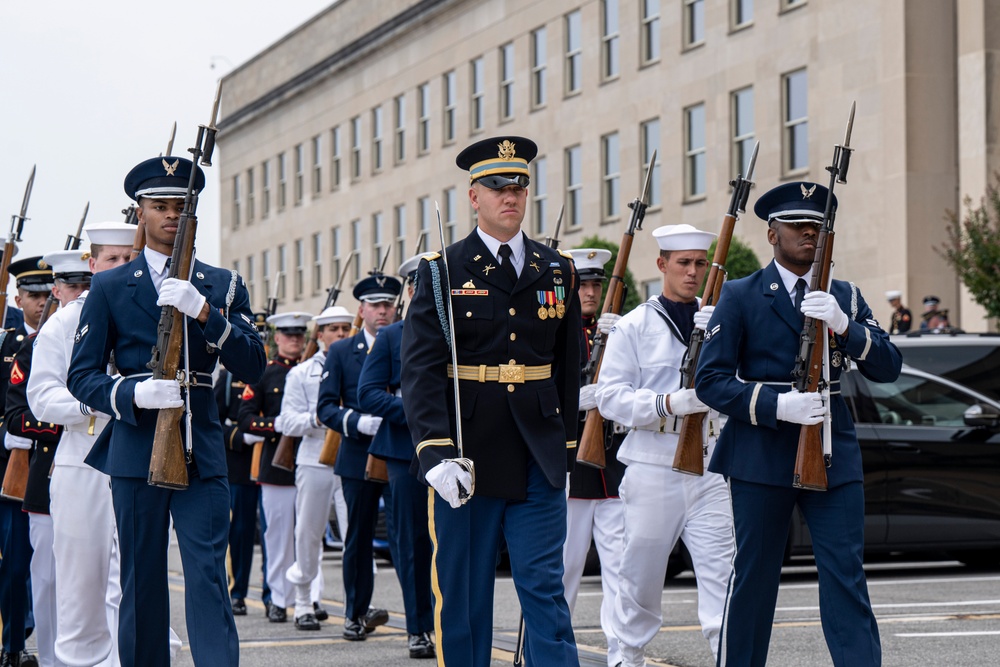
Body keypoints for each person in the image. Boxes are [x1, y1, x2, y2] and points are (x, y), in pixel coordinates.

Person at [67, 156, 266, 667]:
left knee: (206, 574)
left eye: (181, 206)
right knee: (142, 577)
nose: (171, 215)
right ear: (142, 213)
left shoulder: (222, 285)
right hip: (136, 449)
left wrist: (205, 311)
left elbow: (254, 364)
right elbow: (82, 377)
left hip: (201, 450)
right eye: (160, 206)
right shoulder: (111, 287)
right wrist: (133, 392)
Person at [695, 181, 902, 667]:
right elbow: (711, 381)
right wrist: (776, 405)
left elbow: (888, 367)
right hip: (759, 453)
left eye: (817, 227)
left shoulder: (844, 296)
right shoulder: (741, 295)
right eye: (798, 226)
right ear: (772, 234)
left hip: (831, 451)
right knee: (755, 576)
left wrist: (846, 327)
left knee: (845, 576)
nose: (809, 234)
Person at [401, 135, 581, 667]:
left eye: (520, 186)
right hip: (467, 452)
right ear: (473, 196)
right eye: (498, 186)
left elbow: (567, 366)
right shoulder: (442, 270)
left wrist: (565, 444)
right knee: (465, 598)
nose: (511, 196)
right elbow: (421, 370)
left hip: (536, 452)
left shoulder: (557, 269)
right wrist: (434, 452)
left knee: (545, 592)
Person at [593, 226, 735, 666]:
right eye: (683, 263)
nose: (692, 272)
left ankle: (730, 656)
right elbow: (609, 397)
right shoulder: (635, 324)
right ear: (661, 266)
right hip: (654, 461)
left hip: (711, 463)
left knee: (724, 575)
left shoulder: (719, 322)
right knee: (641, 576)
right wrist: (668, 402)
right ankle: (626, 656)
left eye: (700, 263)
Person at [28, 223, 135, 667]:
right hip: (84, 456)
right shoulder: (67, 321)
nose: (122, 268)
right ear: (93, 266)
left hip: (142, 457)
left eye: (129, 259)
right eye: (112, 259)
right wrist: (107, 398)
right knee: (80, 587)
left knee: (134, 583)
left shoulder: (154, 316)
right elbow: (43, 396)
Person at [6, 250, 89, 667]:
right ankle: (56, 661)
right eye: (73, 287)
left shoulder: (111, 339)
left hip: (100, 474)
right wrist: (70, 419)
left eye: (87, 286)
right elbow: (18, 417)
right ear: (58, 291)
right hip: (48, 474)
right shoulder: (32, 349)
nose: (80, 295)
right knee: (50, 579)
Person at [356, 253, 436, 659]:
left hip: (453, 450)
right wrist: (411, 411)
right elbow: (366, 393)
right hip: (406, 452)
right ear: (410, 291)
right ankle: (419, 627)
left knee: (456, 544)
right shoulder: (391, 337)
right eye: (421, 287)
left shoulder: (457, 333)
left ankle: (448, 621)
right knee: (412, 543)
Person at [317, 274, 398, 641]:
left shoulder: (407, 343)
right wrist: (356, 421)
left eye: (388, 305)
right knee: (359, 538)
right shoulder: (341, 351)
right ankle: (355, 613)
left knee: (407, 539)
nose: (382, 311)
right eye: (375, 305)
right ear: (362, 310)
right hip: (358, 452)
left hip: (400, 450)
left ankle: (421, 620)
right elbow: (325, 408)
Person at [561, 247, 627, 667]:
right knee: (563, 572)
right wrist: (574, 401)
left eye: (595, 285)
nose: (589, 292)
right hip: (571, 469)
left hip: (614, 471)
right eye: (582, 284)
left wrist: (623, 339)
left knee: (621, 570)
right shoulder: (553, 333)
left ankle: (621, 651)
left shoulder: (618, 331)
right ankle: (552, 651)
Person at [238, 311, 319, 624]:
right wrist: (278, 425)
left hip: (312, 458)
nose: (294, 340)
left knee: (310, 537)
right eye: (288, 335)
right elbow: (245, 417)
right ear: (276, 339)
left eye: (299, 335)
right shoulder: (263, 374)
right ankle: (277, 598)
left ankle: (309, 598)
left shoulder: (315, 370)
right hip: (278, 464)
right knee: (279, 538)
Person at [275, 305, 353, 631]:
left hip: (351, 457)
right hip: (313, 457)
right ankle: (304, 601)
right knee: (308, 534)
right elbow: (285, 421)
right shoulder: (300, 373)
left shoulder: (360, 366)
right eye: (333, 329)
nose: (340, 335)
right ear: (319, 335)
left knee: (356, 535)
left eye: (345, 329)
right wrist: (318, 418)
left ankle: (357, 605)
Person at [0, 256, 51, 667]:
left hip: (53, 463)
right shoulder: (8, 345)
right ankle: (13, 646)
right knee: (16, 565)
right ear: (18, 298)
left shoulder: (64, 337)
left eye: (48, 293)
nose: (42, 301)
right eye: (33, 295)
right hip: (11, 466)